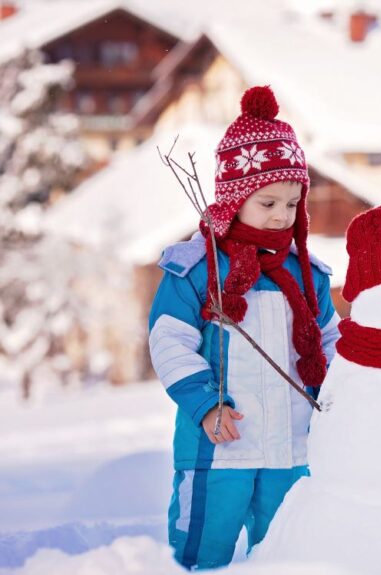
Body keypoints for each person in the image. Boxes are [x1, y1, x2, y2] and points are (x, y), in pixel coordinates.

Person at [148, 85, 339, 568]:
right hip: (217, 448)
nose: (281, 215)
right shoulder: (198, 269)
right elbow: (169, 341)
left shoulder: (308, 274)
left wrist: (341, 400)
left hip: (293, 450)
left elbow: (332, 344)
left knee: (284, 554)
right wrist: (205, 404)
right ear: (234, 198)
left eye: (292, 204)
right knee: (200, 553)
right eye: (267, 202)